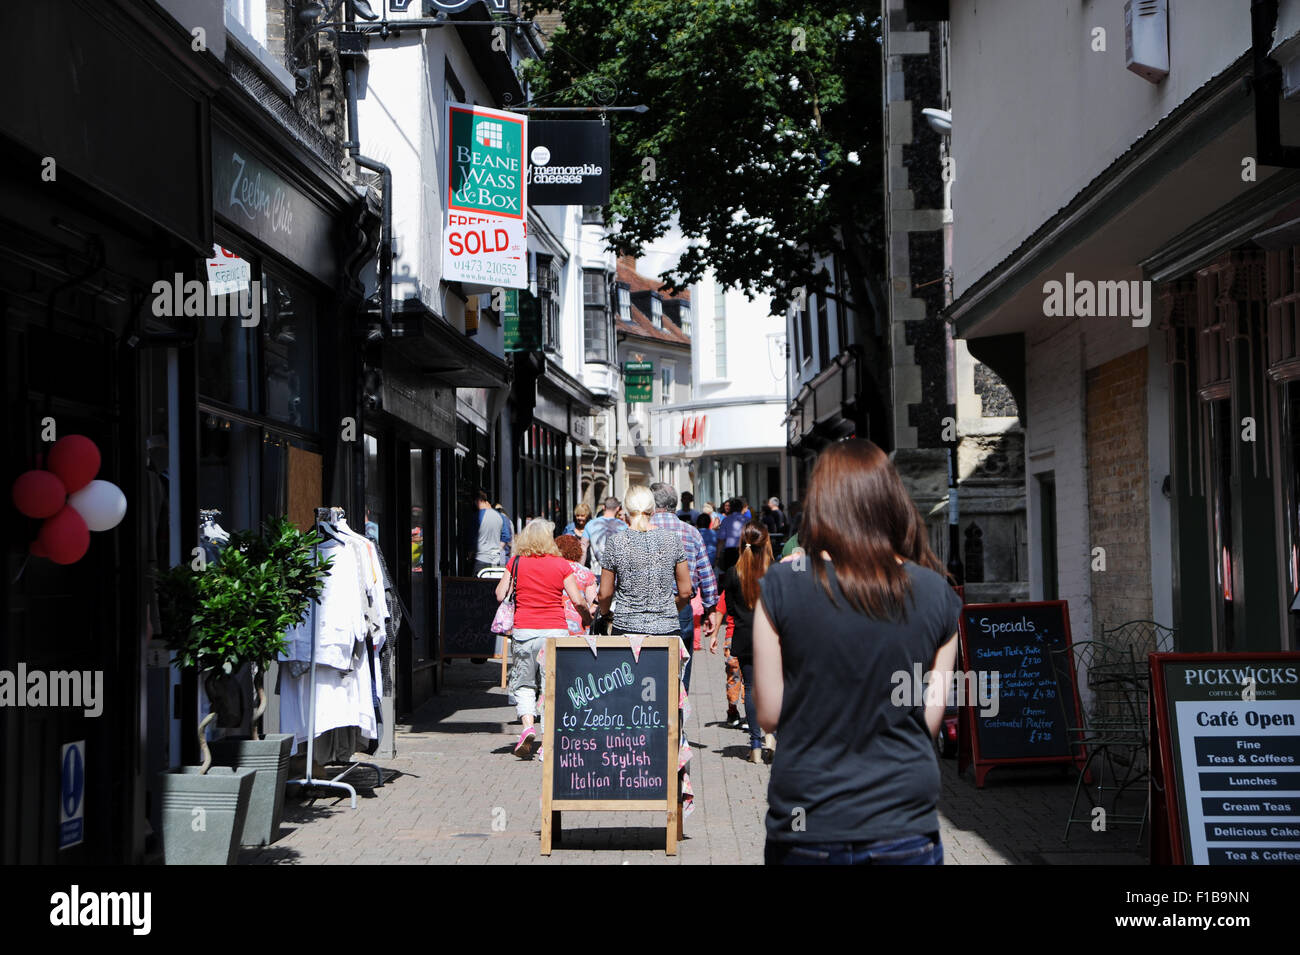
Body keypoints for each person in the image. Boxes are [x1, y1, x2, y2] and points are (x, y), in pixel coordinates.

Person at [754, 439, 960, 866]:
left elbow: (770, 714)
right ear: (890, 499)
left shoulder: (780, 587)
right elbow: (929, 719)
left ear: (821, 502)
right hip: (902, 822)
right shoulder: (936, 592)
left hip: (808, 820)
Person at [495, 520, 591, 758]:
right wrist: (586, 618)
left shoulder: (515, 562)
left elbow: (499, 594)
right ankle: (547, 745)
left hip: (524, 630)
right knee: (551, 688)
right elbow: (578, 600)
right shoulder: (560, 564)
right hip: (554, 632)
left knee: (524, 683)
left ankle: (528, 726)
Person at [648, 482, 721, 698]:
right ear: (675, 504)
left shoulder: (636, 531)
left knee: (649, 668)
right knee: (681, 668)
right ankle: (678, 723)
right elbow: (706, 573)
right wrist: (710, 609)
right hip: (681, 608)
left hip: (645, 608)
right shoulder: (691, 532)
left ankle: (651, 720)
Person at [712, 520, 772, 762]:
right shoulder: (773, 573)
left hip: (744, 637)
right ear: (765, 543)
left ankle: (755, 745)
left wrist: (716, 632)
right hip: (771, 638)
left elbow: (727, 608)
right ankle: (771, 735)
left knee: (750, 688)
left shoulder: (734, 573)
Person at [596, 485, 692, 638]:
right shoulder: (672, 539)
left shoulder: (616, 542)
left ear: (626, 509)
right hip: (666, 628)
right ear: (652, 508)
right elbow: (686, 590)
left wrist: (606, 613)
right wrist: (669, 610)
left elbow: (604, 593)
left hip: (626, 627)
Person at [556, 534, 598, 635]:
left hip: (556, 623)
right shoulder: (585, 572)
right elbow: (594, 603)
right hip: (579, 623)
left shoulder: (553, 569)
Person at [583, 496, 628, 583]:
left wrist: (579, 568)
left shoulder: (590, 524)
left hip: (596, 574)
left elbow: (583, 548)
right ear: (618, 508)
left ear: (603, 507)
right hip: (617, 575)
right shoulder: (623, 526)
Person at [470, 489, 504, 574]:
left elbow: (473, 538)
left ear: (478, 500)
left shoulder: (476, 517)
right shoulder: (500, 516)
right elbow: (506, 536)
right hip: (496, 559)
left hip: (481, 559)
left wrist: (470, 553)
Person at [718, 497, 748, 571]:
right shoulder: (747, 520)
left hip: (730, 551)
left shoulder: (725, 520)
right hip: (745, 549)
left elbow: (721, 540)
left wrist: (717, 556)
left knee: (729, 574)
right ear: (741, 508)